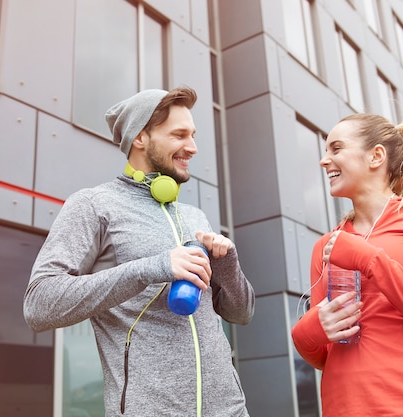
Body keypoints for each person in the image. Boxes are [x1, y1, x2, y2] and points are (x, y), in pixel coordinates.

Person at [23, 85, 255, 417]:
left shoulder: (193, 215)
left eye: (193, 135)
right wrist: (152, 267)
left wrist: (228, 265)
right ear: (140, 137)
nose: (192, 147)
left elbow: (241, 314)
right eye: (179, 135)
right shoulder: (94, 206)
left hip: (231, 411)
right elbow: (39, 305)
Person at [291, 113, 403, 416]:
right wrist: (306, 332)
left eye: (336, 149)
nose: (324, 161)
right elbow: (324, 354)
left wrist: (369, 259)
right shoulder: (326, 246)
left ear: (376, 156)